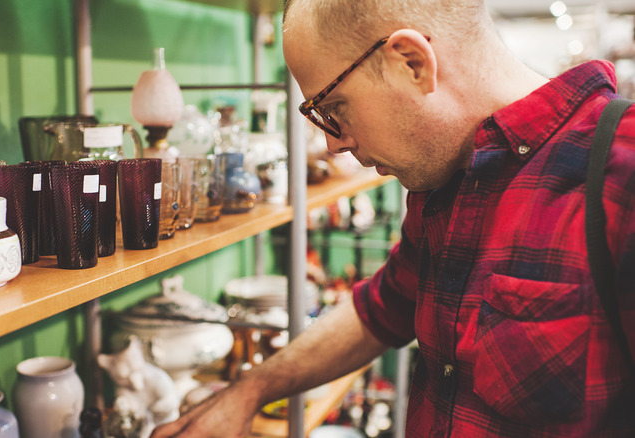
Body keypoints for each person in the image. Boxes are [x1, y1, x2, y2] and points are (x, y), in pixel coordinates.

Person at [151, 0, 635, 436]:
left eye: (333, 107)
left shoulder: (621, 172)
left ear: (411, 62)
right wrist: (249, 391)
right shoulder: (446, 176)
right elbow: (383, 308)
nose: (332, 143)